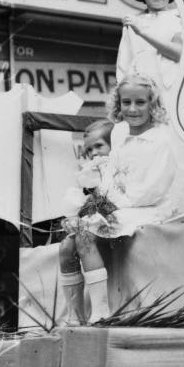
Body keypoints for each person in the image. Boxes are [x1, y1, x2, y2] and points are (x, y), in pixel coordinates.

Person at [70, 75, 179, 323]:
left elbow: (151, 191)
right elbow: (110, 175)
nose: (132, 109)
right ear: (118, 104)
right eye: (126, 102)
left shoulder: (161, 140)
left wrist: (109, 206)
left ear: (152, 104)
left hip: (149, 208)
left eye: (140, 102)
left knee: (84, 233)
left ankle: (100, 313)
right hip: (120, 204)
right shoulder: (119, 132)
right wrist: (101, 202)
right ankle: (74, 316)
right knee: (69, 243)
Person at [58, 119, 114, 326]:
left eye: (99, 146)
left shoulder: (115, 169)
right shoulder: (88, 173)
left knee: (83, 239)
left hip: (113, 215)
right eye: (89, 149)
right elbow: (78, 202)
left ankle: (100, 312)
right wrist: (74, 217)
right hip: (92, 217)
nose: (94, 153)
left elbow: (114, 198)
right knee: (65, 248)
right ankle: (75, 315)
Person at [117, 0, 182, 117]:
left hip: (170, 93)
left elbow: (179, 53)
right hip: (139, 97)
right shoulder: (133, 21)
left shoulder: (179, 18)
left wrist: (142, 32)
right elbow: (123, 64)